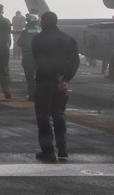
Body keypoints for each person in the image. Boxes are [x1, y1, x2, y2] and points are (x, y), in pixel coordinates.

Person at [31, 11, 80, 163]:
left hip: (44, 81)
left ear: (43, 22)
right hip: (61, 84)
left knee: (43, 116)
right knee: (59, 114)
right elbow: (75, 61)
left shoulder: (38, 39)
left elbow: (40, 61)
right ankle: (63, 149)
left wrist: (53, 75)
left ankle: (48, 151)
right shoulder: (68, 38)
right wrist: (65, 78)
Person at [17, 14, 41, 101]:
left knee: (30, 77)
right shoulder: (40, 30)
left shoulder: (26, 31)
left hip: (28, 56)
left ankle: (32, 96)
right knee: (39, 78)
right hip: (39, 57)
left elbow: (19, 43)